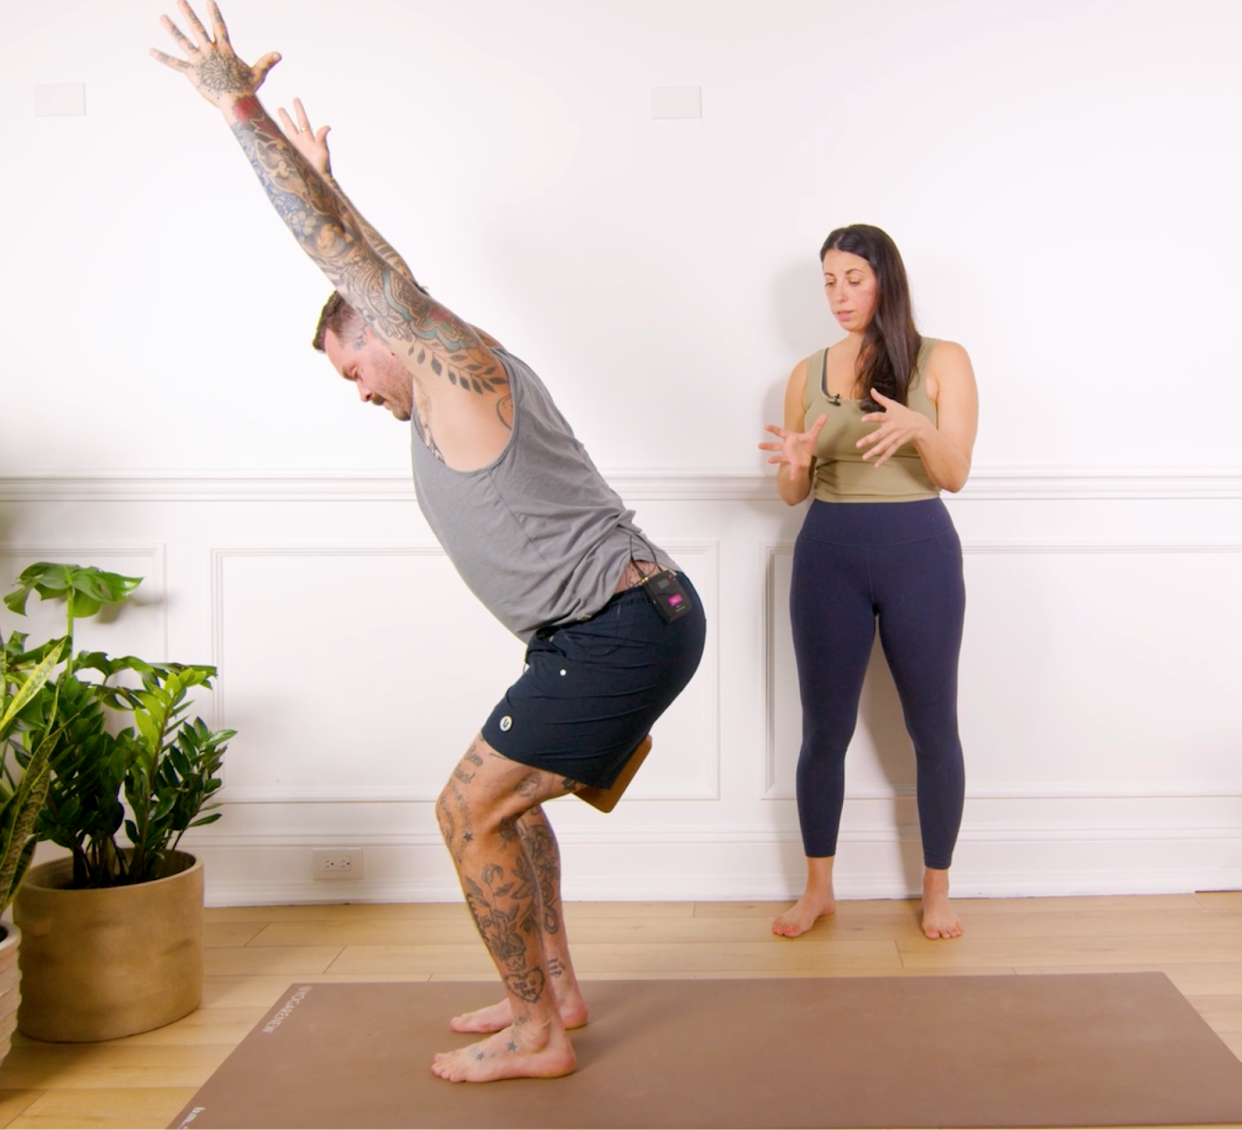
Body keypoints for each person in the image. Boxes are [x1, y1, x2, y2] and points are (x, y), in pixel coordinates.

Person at [151, 1, 705, 1083]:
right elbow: (373, 261)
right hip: (597, 628)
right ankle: (555, 988)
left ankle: (533, 1025)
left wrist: (241, 113)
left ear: (389, 339)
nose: (354, 388)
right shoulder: (432, 378)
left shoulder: (455, 365)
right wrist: (330, 179)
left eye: (352, 364)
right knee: (505, 806)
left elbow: (370, 272)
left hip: (622, 624)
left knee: (466, 808)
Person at [759, 224, 978, 941]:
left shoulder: (944, 360)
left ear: (886, 279)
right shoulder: (806, 373)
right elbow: (794, 494)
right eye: (828, 281)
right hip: (828, 555)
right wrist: (795, 460)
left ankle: (937, 890)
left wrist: (919, 426)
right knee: (823, 731)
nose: (839, 295)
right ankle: (818, 888)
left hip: (919, 554)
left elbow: (954, 476)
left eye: (854, 278)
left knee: (933, 729)